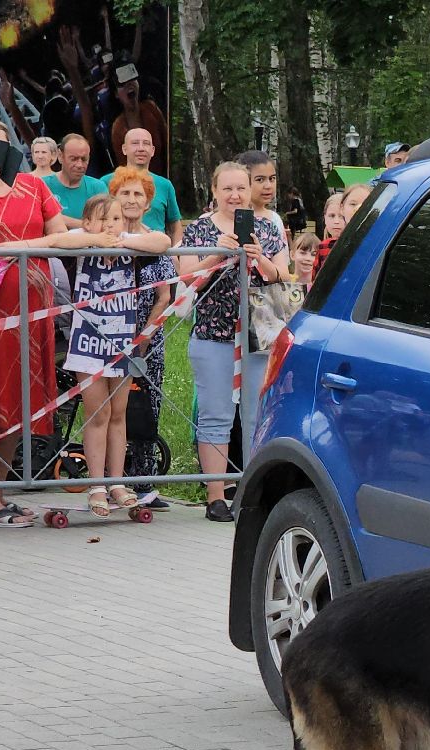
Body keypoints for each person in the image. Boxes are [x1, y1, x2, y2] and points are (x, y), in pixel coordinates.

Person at [0, 114, 100, 527]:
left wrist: (23, 246)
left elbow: (64, 235)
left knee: (19, 403)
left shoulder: (33, 185)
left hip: (33, 312)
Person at [176, 161, 286, 522]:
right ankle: (215, 495)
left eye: (241, 188)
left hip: (259, 332)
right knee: (216, 413)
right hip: (213, 332)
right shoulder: (200, 230)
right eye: (228, 189)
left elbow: (283, 277)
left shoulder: (268, 228)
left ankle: (253, 493)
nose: (235, 195)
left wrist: (261, 261)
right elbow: (187, 278)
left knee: (257, 415)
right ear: (214, 191)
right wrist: (216, 255)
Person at [61, 189, 170, 513]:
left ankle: (117, 482)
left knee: (118, 413)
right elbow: (57, 240)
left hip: (122, 338)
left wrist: (122, 241)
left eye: (117, 219)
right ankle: (96, 486)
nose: (112, 225)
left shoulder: (130, 244)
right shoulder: (83, 242)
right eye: (106, 220)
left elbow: (163, 243)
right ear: (89, 222)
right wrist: (90, 239)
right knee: (98, 413)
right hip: (88, 341)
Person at [108, 167, 176, 511]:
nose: (132, 200)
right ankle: (109, 478)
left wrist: (144, 338)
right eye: (125, 193)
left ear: (148, 203)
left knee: (146, 408)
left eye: (138, 194)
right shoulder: (106, 240)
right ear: (114, 198)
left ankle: (145, 482)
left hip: (148, 337)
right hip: (107, 335)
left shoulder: (154, 239)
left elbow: (165, 296)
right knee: (109, 410)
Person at [99, 128, 181, 238]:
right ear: (124, 149)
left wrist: (174, 254)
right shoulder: (105, 182)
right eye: (135, 143)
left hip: (155, 249)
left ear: (152, 150)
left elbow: (175, 226)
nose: (141, 148)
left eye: (146, 144)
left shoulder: (165, 185)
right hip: (117, 248)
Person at [43, 134, 107, 229]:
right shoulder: (43, 185)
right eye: (74, 159)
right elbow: (37, 218)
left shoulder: (97, 187)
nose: (80, 165)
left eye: (84, 159)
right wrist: (86, 225)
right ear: (60, 156)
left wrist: (56, 218)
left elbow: (106, 224)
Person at [236, 150, 287, 240]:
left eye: (272, 178)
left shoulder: (275, 219)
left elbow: (283, 254)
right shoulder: (225, 216)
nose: (268, 186)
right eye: (260, 180)